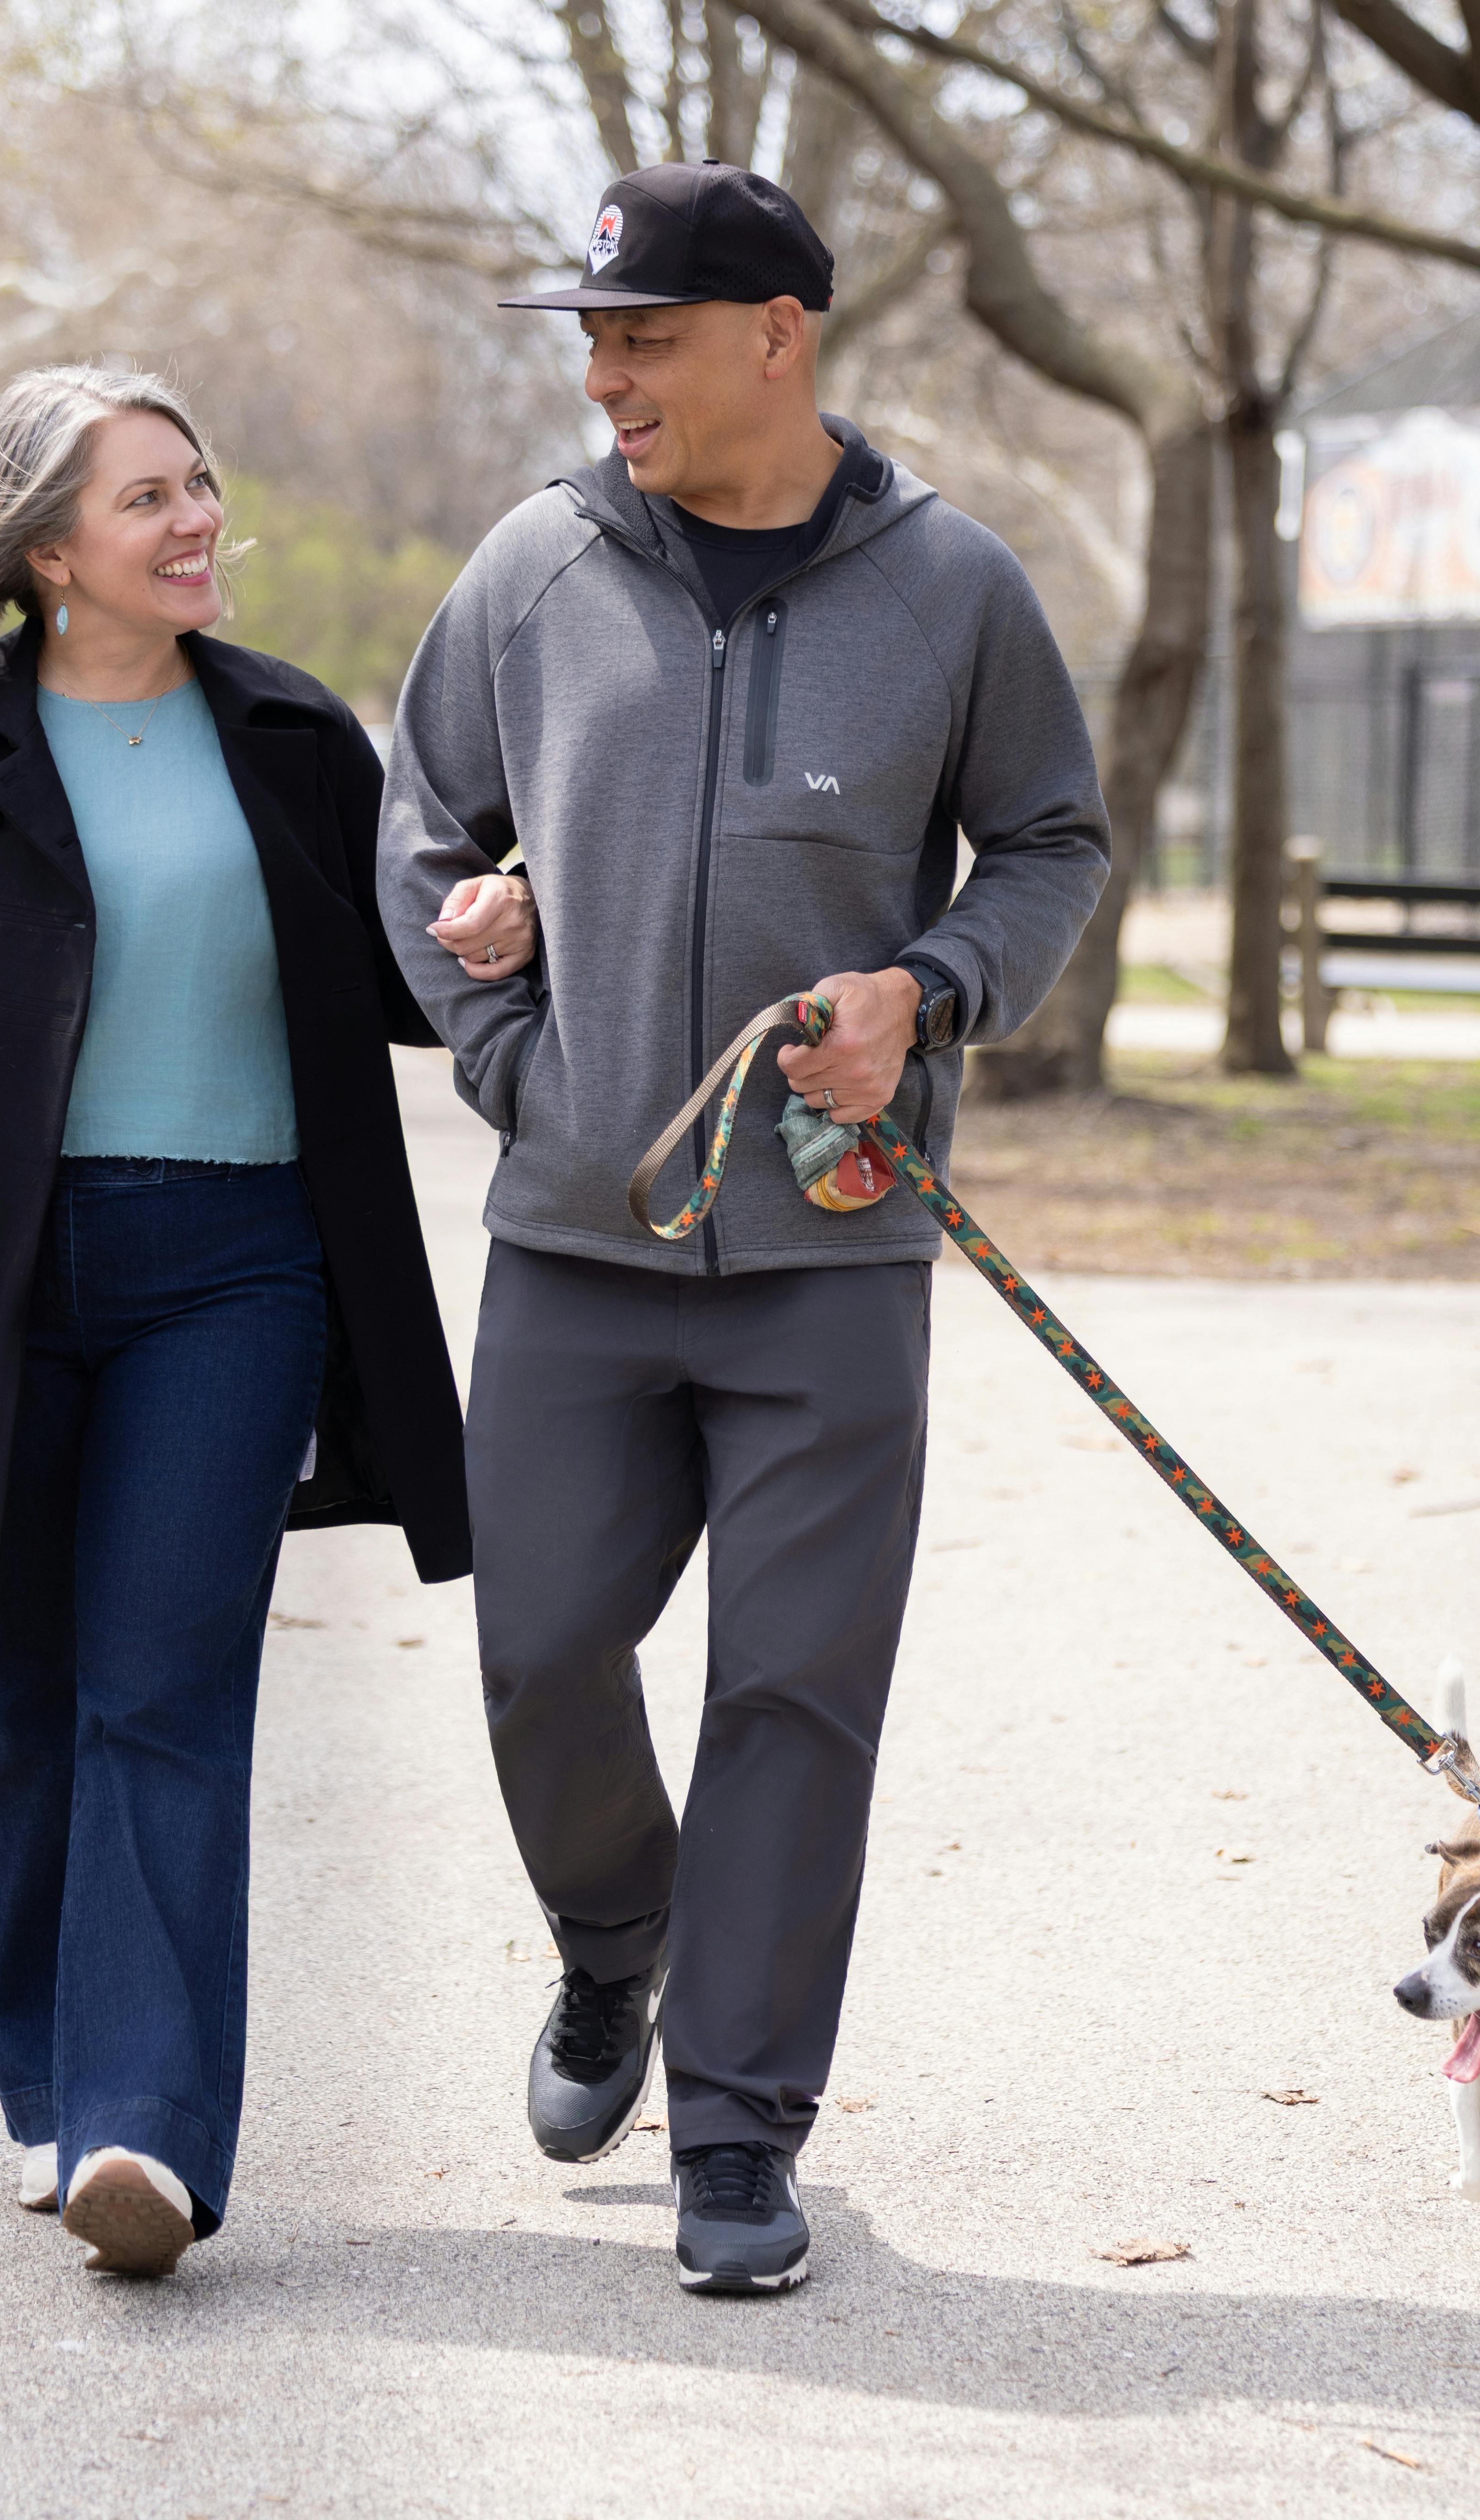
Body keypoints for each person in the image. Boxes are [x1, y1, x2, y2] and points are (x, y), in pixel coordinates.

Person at [380, 164, 1111, 2294]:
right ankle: (615, 1949)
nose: (603, 376)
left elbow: (1048, 841)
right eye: (591, 342)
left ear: (775, 338)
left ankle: (734, 2127)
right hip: (576, 1248)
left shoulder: (953, 589)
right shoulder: (530, 569)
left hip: (832, 1255)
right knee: (539, 1652)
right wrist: (516, 1055)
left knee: (794, 1691)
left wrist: (932, 988)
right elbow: (424, 826)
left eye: (641, 337)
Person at [0, 365, 526, 2279]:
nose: (195, 521)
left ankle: (145, 2131)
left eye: (200, 487)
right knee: (15, 1694)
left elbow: (382, 971)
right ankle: (50, 2087)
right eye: (147, 499)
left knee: (165, 1689)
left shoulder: (284, 732)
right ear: (49, 551)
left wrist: (474, 938)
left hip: (236, 1273)